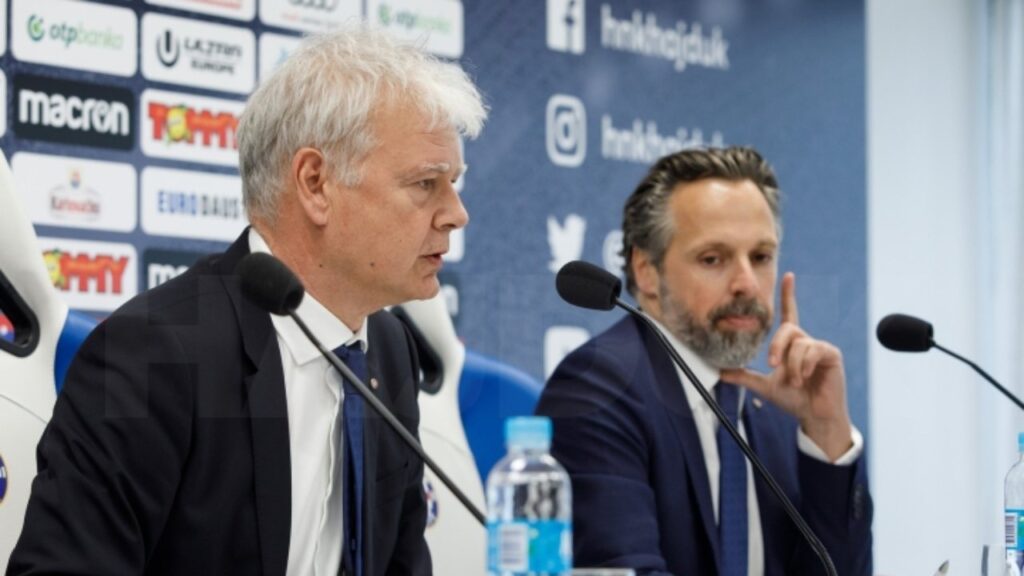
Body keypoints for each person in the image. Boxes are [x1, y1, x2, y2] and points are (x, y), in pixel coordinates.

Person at [8, 26, 486, 576]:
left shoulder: (388, 347)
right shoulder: (152, 354)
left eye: (454, 183)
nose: (456, 214)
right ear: (315, 183)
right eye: (426, 183)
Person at [536, 147, 872, 576]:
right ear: (647, 271)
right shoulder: (599, 388)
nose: (747, 284)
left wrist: (825, 431)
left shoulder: (778, 413)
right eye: (713, 259)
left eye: (761, 257)